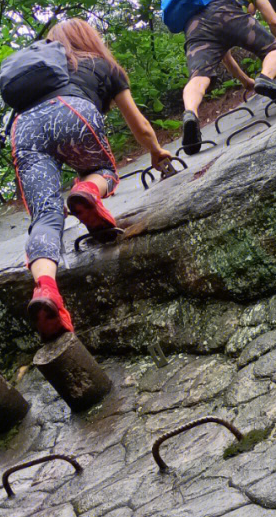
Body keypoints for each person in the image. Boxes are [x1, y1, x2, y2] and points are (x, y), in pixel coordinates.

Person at [10, 19, 172, 338]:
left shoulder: (45, 70)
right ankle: (87, 191)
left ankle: (45, 289)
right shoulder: (104, 65)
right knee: (104, 172)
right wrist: (155, 151)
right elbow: (139, 125)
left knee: (45, 216)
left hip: (24, 128)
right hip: (72, 111)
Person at [179, 0, 276, 155]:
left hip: (193, 26)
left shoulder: (202, 0)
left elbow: (225, 56)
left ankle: (190, 113)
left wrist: (247, 82)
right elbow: (274, 21)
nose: (252, 11)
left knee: (198, 76)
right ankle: (266, 78)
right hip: (225, 10)